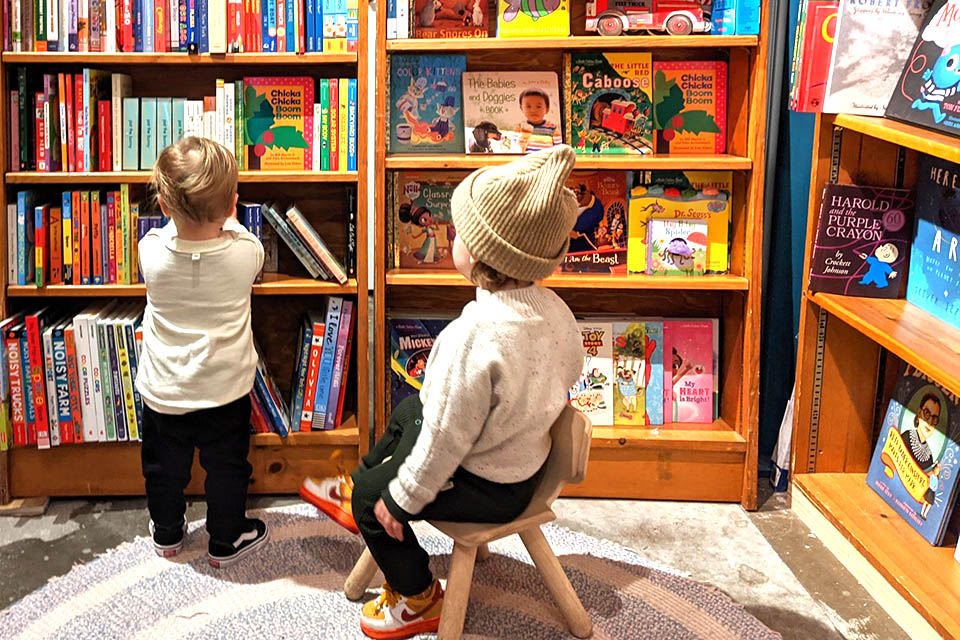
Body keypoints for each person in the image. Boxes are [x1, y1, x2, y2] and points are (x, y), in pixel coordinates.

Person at [301, 145, 585, 640]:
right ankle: (368, 484)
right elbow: (570, 372)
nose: (448, 238)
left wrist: (401, 497)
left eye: (456, 232)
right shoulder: (557, 311)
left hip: (486, 485)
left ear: (476, 253)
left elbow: (446, 441)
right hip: (524, 466)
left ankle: (418, 595)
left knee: (376, 497)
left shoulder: (472, 335)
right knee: (413, 409)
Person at [137, 137, 268, 568]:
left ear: (163, 204)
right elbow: (247, 245)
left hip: (165, 391)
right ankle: (226, 539)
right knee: (228, 468)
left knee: (163, 469)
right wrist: (229, 220)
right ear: (232, 204)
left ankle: (168, 533)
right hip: (223, 390)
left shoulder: (150, 251)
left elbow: (170, 236)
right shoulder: (244, 252)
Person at [516, 88, 562, 153]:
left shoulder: (552, 129)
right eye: (528, 106)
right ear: (521, 108)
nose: (533, 110)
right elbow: (514, 147)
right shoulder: (520, 128)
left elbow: (559, 149)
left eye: (538, 106)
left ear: (547, 109)